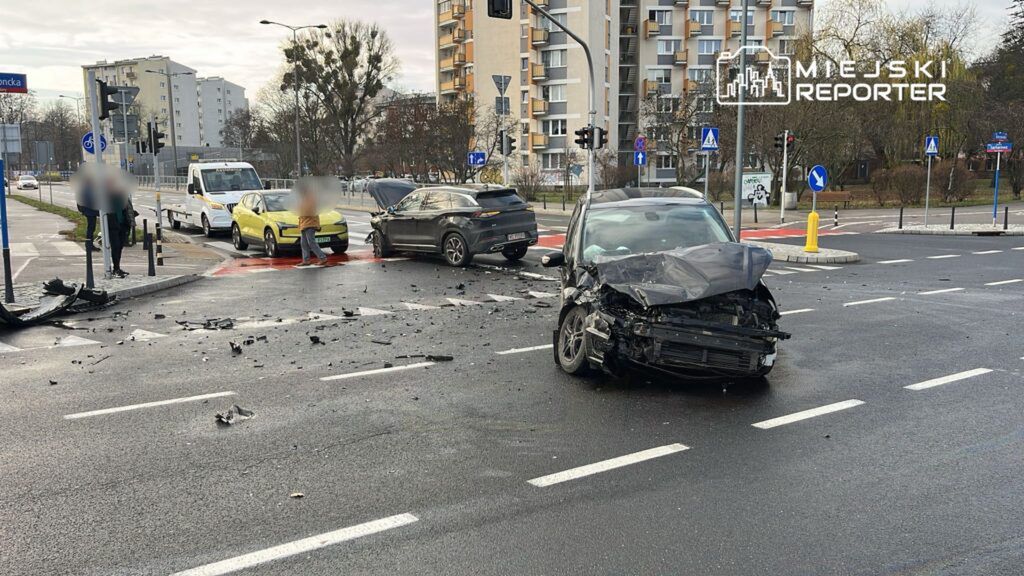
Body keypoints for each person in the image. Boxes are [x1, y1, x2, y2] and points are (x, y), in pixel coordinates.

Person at [296, 184, 328, 267]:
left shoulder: (311, 198)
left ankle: (322, 258)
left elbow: (309, 210)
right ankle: (306, 260)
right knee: (304, 243)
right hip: (304, 223)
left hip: (310, 223)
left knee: (311, 242)